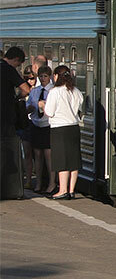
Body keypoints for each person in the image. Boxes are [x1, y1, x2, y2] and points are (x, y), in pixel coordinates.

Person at [43, 67, 84, 200]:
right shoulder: (76, 91)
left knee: (61, 160)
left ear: (56, 76)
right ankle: (71, 190)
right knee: (73, 160)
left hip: (59, 128)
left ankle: (62, 190)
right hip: (74, 128)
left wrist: (42, 106)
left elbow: (49, 112)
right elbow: (81, 109)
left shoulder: (55, 92)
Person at [1, 47, 30, 200]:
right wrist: (17, 98)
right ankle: (9, 188)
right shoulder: (9, 70)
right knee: (7, 153)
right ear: (16, 60)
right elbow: (26, 89)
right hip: (5, 118)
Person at [26, 66, 55, 194]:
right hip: (36, 124)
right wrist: (32, 107)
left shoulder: (53, 91)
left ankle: (52, 182)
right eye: (41, 76)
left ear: (50, 77)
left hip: (48, 125)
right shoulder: (35, 91)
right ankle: (38, 183)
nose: (43, 79)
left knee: (48, 155)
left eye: (45, 76)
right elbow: (27, 108)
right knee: (37, 154)